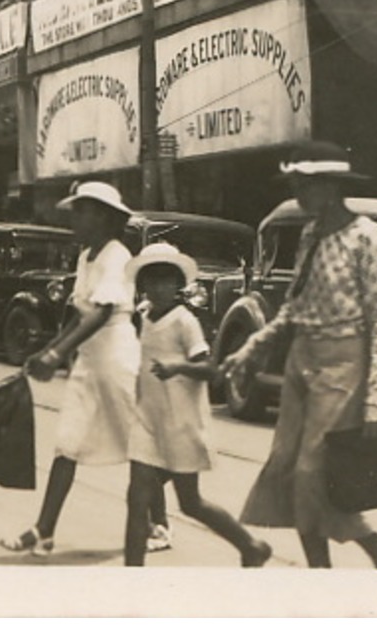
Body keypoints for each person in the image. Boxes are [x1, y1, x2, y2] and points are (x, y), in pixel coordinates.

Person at [220, 140, 377, 569]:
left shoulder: (363, 235)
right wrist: (252, 347)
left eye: (306, 185)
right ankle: (366, 561)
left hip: (343, 365)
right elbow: (295, 306)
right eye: (295, 186)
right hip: (300, 363)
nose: (299, 195)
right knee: (290, 467)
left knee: (313, 473)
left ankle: (354, 562)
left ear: (331, 187)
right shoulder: (309, 234)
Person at [1, 180, 140, 557]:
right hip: (88, 360)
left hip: (116, 356)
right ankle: (44, 530)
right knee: (67, 443)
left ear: (105, 217)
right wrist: (46, 350)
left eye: (82, 211)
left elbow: (103, 312)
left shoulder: (117, 255)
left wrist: (57, 353)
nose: (75, 219)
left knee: (140, 446)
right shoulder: (85, 256)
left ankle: (158, 523)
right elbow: (79, 314)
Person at [122, 243, 273, 567]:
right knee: (137, 498)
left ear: (179, 285)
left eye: (167, 280)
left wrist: (177, 368)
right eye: (152, 280)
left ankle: (250, 545)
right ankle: (130, 577)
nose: (159, 287)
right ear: (142, 284)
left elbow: (212, 370)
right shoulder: (144, 317)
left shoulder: (184, 321)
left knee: (191, 503)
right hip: (148, 421)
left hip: (181, 424)